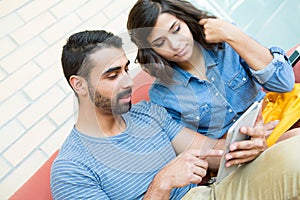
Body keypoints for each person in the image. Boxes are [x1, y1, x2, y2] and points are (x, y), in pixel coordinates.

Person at [50, 30, 300, 199]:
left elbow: (211, 152)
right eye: (112, 75)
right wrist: (161, 184)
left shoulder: (148, 114)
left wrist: (248, 143)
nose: (127, 82)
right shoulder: (71, 169)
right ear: (79, 85)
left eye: (126, 69)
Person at [127, 0, 300, 146]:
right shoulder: (163, 96)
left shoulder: (226, 40)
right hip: (236, 148)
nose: (175, 44)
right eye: (160, 42)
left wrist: (234, 36)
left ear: (186, 20)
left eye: (176, 29)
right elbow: (195, 149)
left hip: (274, 115)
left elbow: (284, 83)